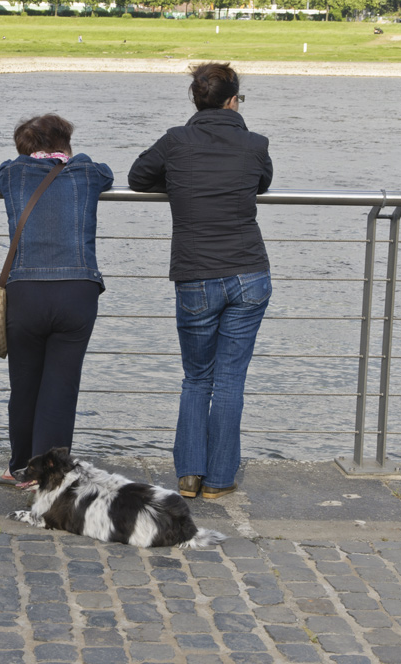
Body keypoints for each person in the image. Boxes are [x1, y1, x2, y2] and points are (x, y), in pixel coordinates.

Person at [128, 62, 272, 500]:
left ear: (196, 99)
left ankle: (189, 475)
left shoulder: (176, 141)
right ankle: (221, 480)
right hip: (248, 271)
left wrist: (178, 181)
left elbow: (137, 178)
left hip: (195, 274)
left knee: (197, 378)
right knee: (230, 379)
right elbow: (263, 184)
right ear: (233, 100)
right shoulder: (254, 144)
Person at [0, 114, 114, 488]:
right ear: (66, 145)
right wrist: (69, 158)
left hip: (26, 290)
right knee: (60, 387)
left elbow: (3, 170)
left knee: (24, 384)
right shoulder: (87, 174)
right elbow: (105, 171)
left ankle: (20, 469)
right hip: (77, 291)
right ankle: (50, 476)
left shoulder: (12, 175)